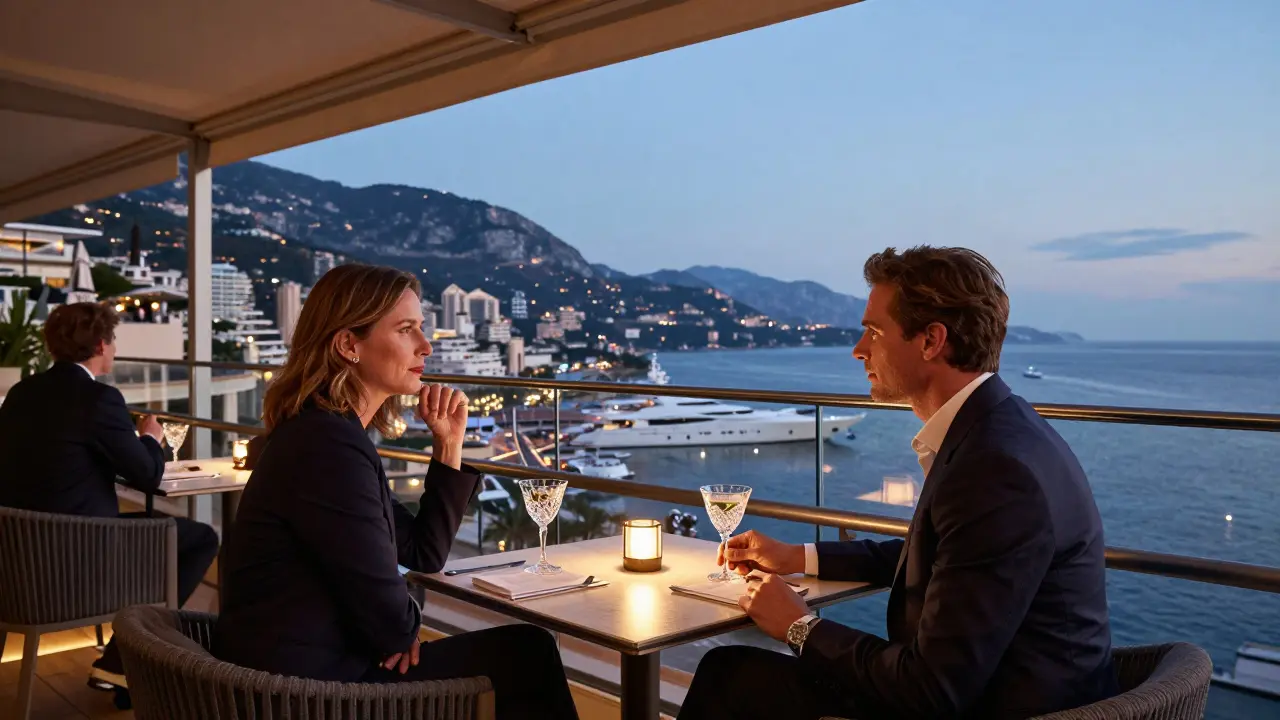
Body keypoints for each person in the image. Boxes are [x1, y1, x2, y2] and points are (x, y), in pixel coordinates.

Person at [680, 247, 1118, 720]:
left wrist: (799, 626)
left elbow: (931, 689)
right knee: (737, 674)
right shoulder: (1002, 428)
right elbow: (948, 560)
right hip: (999, 686)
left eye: (874, 331)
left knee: (733, 678)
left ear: (931, 341)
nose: (859, 350)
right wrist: (797, 557)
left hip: (1000, 705)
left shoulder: (993, 470)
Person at [212, 264, 579, 720]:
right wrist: (399, 628)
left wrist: (448, 443)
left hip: (291, 670)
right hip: (307, 692)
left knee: (520, 650)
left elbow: (423, 553)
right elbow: (393, 625)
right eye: (406, 330)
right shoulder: (327, 447)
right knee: (526, 651)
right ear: (349, 345)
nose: (426, 346)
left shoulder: (325, 434)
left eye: (421, 328)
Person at [0, 302, 220, 691]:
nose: (114, 348)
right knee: (199, 538)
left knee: (159, 533)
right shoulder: (98, 400)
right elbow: (149, 475)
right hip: (78, 558)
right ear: (101, 345)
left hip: (19, 561)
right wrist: (150, 438)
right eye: (113, 341)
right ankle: (120, 664)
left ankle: (123, 657)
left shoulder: (21, 394)